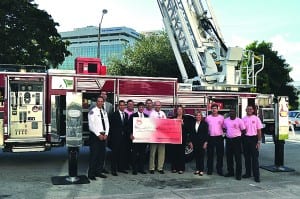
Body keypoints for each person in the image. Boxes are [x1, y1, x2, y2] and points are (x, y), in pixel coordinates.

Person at [88, 96, 109, 180]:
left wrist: (106, 134)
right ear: (96, 102)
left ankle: (98, 172)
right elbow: (91, 126)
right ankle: (91, 174)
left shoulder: (104, 112)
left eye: (101, 101)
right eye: (98, 101)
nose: (100, 102)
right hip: (95, 136)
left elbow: (107, 124)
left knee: (102, 156)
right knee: (94, 155)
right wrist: (98, 134)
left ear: (103, 102)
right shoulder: (92, 112)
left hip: (104, 136)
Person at [242, 105, 263, 183]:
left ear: (253, 110)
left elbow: (259, 131)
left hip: (254, 139)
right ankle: (248, 173)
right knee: (247, 158)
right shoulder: (243, 119)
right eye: (248, 109)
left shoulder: (256, 118)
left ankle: (256, 176)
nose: (249, 110)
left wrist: (259, 141)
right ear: (245, 110)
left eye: (251, 109)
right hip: (246, 139)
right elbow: (242, 130)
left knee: (255, 159)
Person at [223, 109, 246, 180]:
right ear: (229, 113)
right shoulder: (226, 120)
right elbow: (224, 129)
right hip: (229, 140)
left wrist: (239, 138)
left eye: (233, 112)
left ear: (236, 113)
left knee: (238, 158)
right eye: (230, 112)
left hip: (237, 140)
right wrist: (226, 135)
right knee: (229, 157)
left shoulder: (239, 120)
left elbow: (244, 131)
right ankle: (230, 172)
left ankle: (238, 174)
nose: (231, 113)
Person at [108, 100, 129, 176]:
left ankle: (121, 168)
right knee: (114, 154)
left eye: (123, 105)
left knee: (122, 153)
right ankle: (113, 170)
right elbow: (111, 126)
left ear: (125, 106)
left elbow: (126, 126)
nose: (122, 106)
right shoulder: (113, 115)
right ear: (118, 106)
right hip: (115, 137)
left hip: (124, 138)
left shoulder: (126, 115)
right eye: (121, 105)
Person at [129, 102, 148, 175]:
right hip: (135, 138)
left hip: (143, 138)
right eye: (140, 107)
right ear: (137, 108)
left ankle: (141, 169)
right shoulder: (133, 116)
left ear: (144, 108)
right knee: (134, 154)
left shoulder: (147, 116)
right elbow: (129, 126)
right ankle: (134, 169)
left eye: (142, 107)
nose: (141, 108)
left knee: (142, 154)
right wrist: (131, 133)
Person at [169, 105, 189, 174]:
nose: (179, 111)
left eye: (181, 109)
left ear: (183, 111)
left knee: (181, 154)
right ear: (176, 111)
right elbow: (168, 126)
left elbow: (188, 128)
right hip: (174, 138)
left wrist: (183, 124)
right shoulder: (173, 118)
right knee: (174, 153)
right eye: (178, 109)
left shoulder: (185, 118)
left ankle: (181, 168)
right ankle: (174, 168)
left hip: (182, 138)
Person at [205, 103, 224, 176]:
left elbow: (224, 127)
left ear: (217, 109)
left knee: (220, 155)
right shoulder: (208, 118)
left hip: (219, 137)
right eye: (213, 108)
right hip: (211, 137)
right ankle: (210, 169)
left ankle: (219, 169)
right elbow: (206, 128)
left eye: (215, 108)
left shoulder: (221, 118)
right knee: (210, 154)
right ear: (211, 109)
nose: (214, 110)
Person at [149, 101, 167, 174]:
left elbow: (166, 123)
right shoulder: (152, 113)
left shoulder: (163, 113)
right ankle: (151, 168)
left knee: (161, 152)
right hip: (154, 135)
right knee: (152, 152)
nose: (157, 106)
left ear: (161, 106)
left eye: (159, 105)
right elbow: (150, 123)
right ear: (154, 106)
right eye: (156, 105)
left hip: (162, 136)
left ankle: (160, 168)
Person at [189, 111, 208, 176]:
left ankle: (201, 170)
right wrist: (191, 142)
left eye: (199, 115)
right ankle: (197, 169)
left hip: (202, 142)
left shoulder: (204, 124)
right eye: (197, 115)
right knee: (196, 156)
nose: (198, 116)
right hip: (195, 142)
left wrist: (206, 142)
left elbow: (206, 134)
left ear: (201, 117)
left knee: (201, 156)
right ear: (195, 116)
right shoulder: (192, 123)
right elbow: (191, 134)